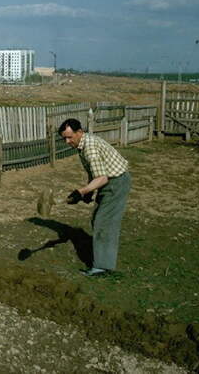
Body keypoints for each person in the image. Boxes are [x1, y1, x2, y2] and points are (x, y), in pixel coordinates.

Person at [58, 118, 131, 277]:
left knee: (103, 222)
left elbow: (103, 178)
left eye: (70, 137)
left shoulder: (89, 147)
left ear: (79, 132)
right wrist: (88, 192)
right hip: (108, 182)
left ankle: (102, 267)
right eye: (64, 138)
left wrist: (80, 192)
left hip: (116, 183)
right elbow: (95, 172)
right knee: (98, 219)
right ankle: (104, 258)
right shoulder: (82, 145)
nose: (67, 141)